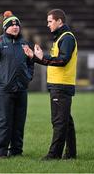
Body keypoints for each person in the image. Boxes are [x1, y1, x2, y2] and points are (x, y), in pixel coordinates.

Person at [23, 9, 77, 160]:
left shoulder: (66, 38)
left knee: (59, 121)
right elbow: (54, 61)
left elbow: (62, 60)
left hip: (61, 85)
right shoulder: (61, 37)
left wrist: (43, 57)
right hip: (60, 85)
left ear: (59, 21)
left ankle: (54, 155)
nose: (47, 25)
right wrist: (34, 57)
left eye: (50, 21)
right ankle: (71, 153)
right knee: (66, 121)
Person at [0, 11, 34, 158]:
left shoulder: (24, 43)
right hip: (4, 89)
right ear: (5, 27)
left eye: (17, 24)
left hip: (21, 89)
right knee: (4, 122)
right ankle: (0, 152)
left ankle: (17, 151)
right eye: (12, 25)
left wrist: (28, 77)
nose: (15, 27)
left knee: (19, 122)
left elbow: (31, 62)